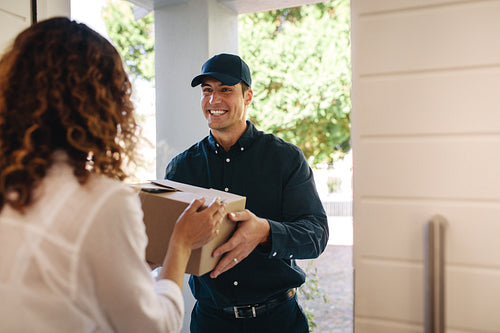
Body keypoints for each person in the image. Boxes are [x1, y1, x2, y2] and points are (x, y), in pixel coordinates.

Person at [0, 17, 226, 333]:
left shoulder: (13, 184)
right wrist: (181, 244)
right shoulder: (103, 200)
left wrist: (135, 259)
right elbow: (151, 327)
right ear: (103, 103)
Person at [165, 53, 329, 333]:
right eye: (207, 91)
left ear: (248, 96)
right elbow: (167, 239)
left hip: (279, 321)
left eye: (225, 90)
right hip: (210, 322)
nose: (213, 100)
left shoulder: (286, 159)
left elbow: (316, 235)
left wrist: (265, 231)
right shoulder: (182, 167)